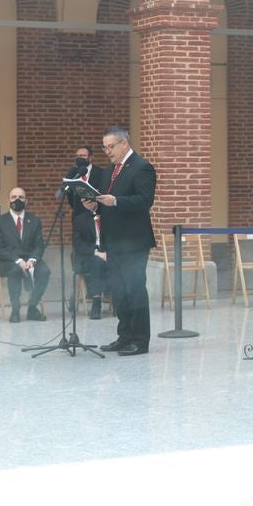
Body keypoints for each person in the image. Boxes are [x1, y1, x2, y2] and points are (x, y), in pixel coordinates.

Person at [83, 127, 156, 356]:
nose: (107, 152)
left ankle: (140, 340)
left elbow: (144, 201)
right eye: (105, 148)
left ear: (124, 143)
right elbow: (106, 202)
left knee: (134, 290)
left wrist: (116, 201)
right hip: (113, 241)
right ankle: (124, 336)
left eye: (111, 146)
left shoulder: (142, 167)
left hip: (134, 242)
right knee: (118, 292)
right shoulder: (109, 172)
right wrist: (95, 205)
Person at [59, 146, 106, 320]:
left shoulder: (101, 173)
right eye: (77, 156)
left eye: (84, 156)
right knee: (82, 252)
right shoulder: (74, 174)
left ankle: (92, 296)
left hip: (99, 212)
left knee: (97, 258)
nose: (80, 158)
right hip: (81, 217)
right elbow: (71, 200)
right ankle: (82, 295)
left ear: (91, 158)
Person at [0, 186, 50, 323]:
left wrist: (32, 260)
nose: (17, 200)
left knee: (45, 271)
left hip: (31, 259)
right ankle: (15, 310)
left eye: (21, 197)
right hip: (9, 261)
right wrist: (18, 260)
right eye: (13, 197)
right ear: (8, 201)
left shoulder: (35, 220)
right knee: (15, 271)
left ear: (26, 201)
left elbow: (39, 245)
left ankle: (32, 308)